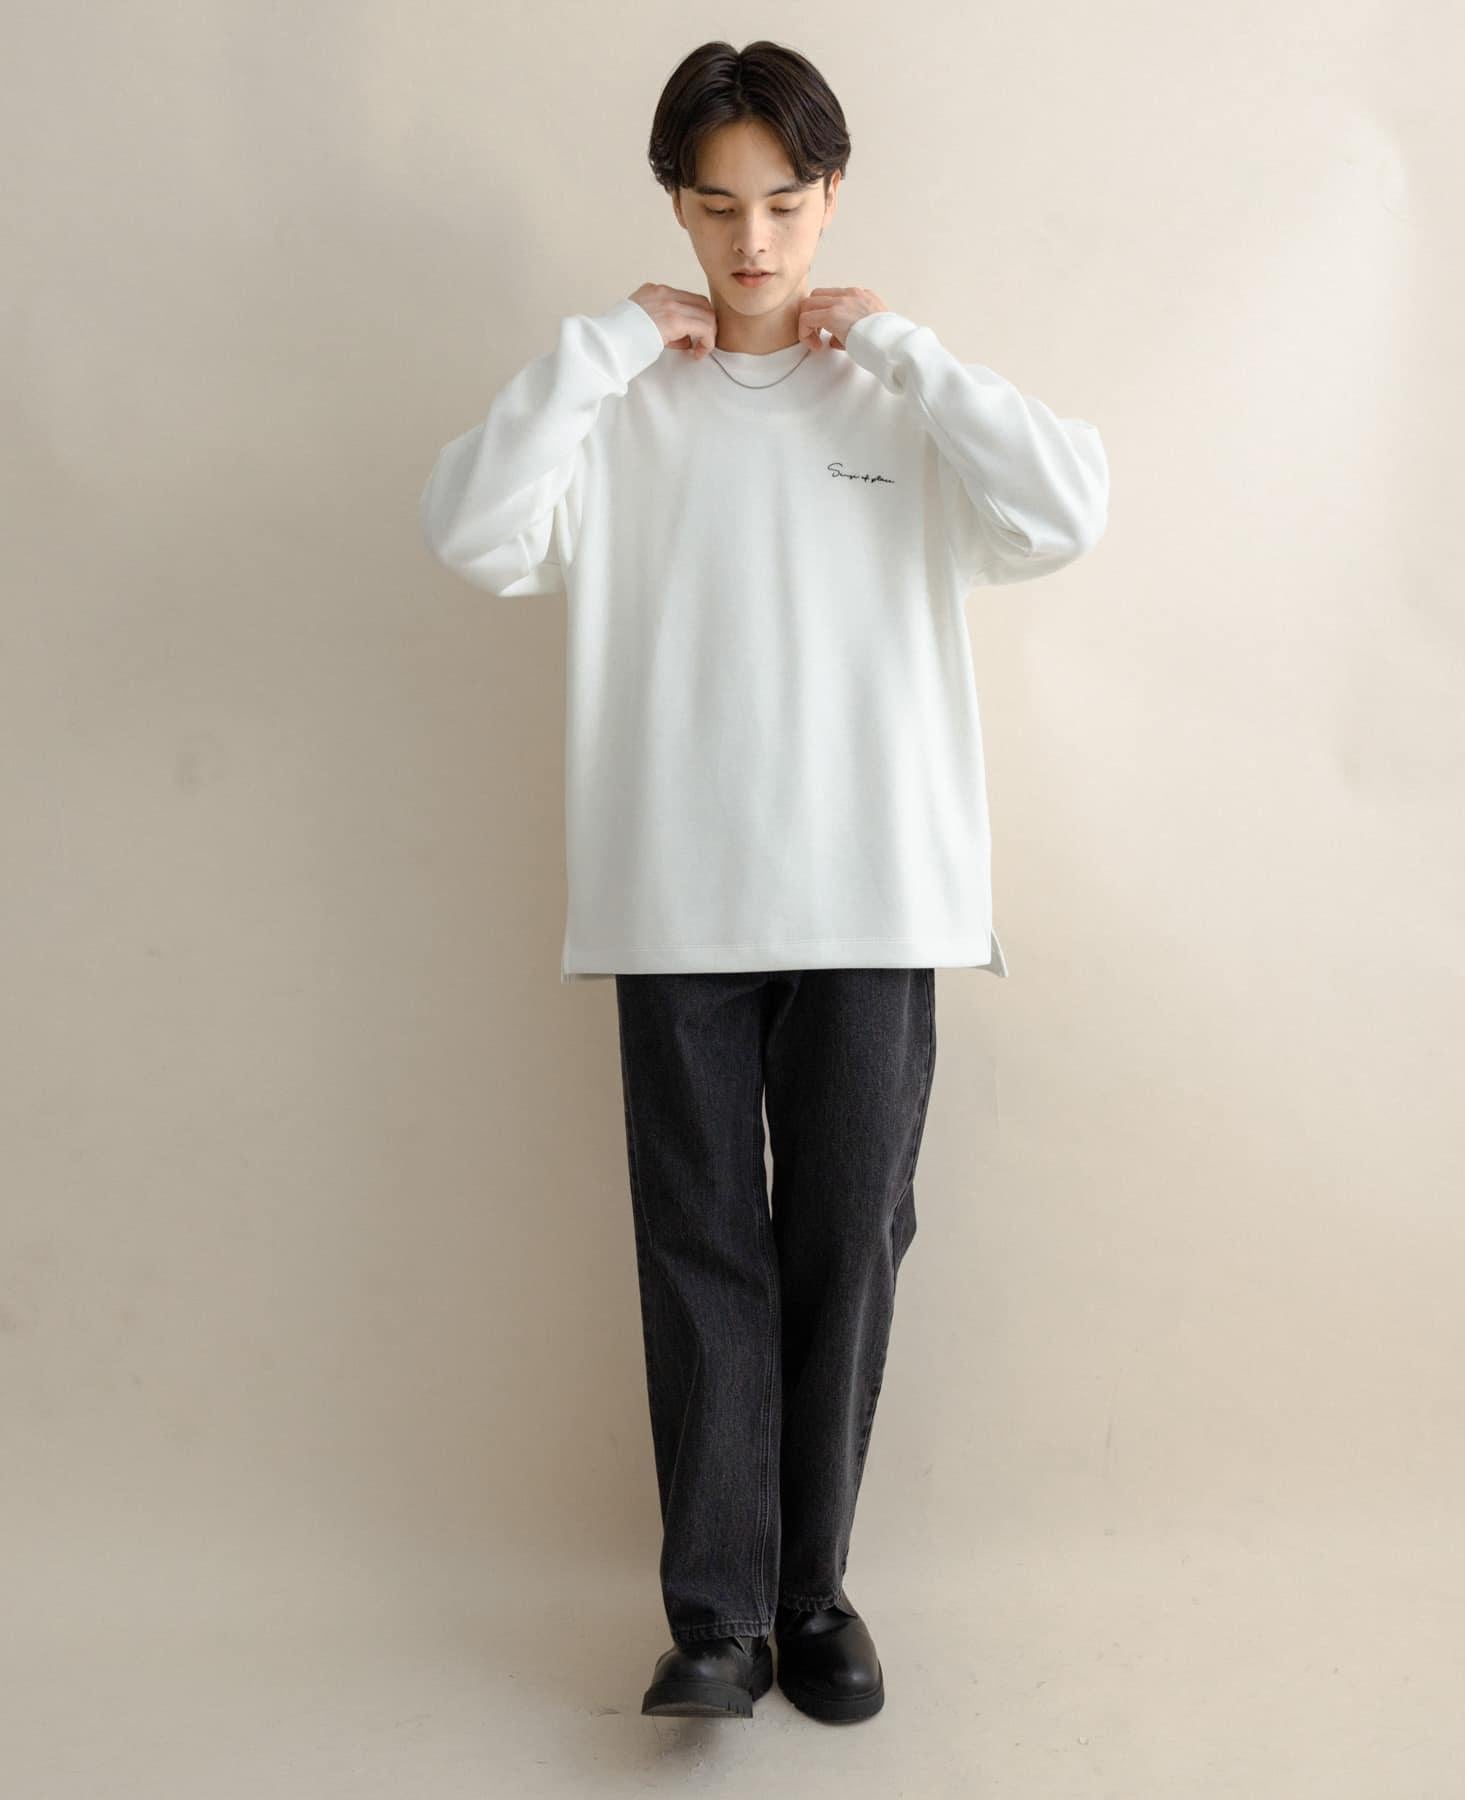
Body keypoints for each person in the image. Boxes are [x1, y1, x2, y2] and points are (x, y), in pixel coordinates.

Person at [419, 39, 1109, 1724]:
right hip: (676, 904)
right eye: (720, 205)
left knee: (847, 1245)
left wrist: (910, 348)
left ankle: (814, 1594)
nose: (753, 240)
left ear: (832, 197)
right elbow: (471, 530)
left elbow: (1067, 510)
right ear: (676, 204)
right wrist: (602, 346)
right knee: (700, 1251)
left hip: (879, 898)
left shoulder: (896, 405)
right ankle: (717, 1620)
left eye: (786, 203)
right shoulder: (623, 414)